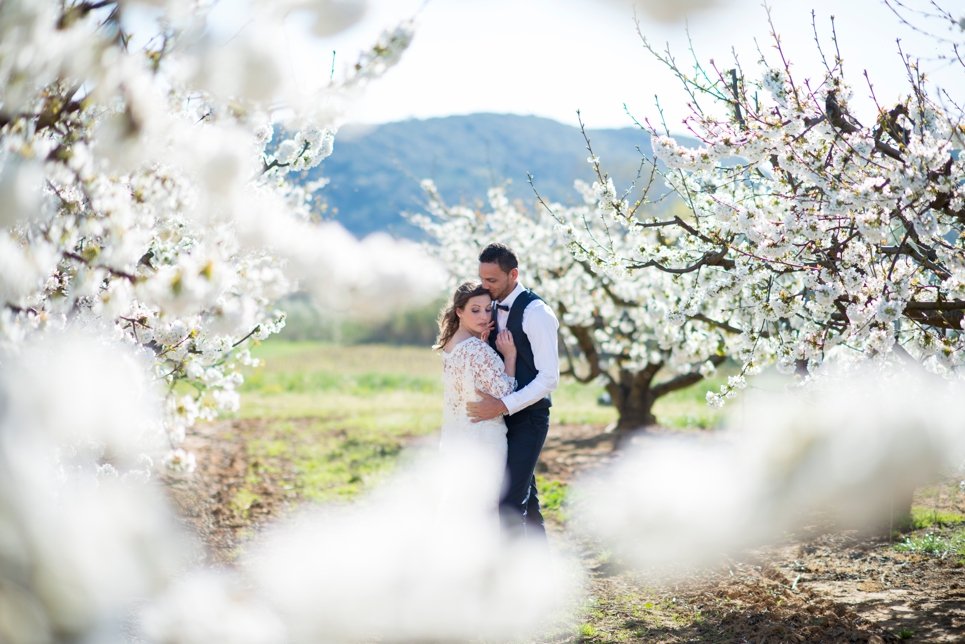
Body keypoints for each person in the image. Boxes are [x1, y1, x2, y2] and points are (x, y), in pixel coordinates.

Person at [468, 243, 560, 540]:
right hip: (499, 423)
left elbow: (549, 378)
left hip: (529, 420)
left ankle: (513, 580)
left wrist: (503, 405)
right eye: (482, 279)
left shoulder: (537, 313)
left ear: (514, 274)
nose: (485, 286)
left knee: (507, 502)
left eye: (492, 280)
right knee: (526, 501)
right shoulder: (489, 307)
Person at [435, 282, 518, 511]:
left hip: (458, 437)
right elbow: (506, 395)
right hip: (484, 438)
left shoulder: (450, 346)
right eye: (475, 310)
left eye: (487, 309)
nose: (483, 316)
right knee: (484, 507)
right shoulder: (477, 350)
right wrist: (509, 357)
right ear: (459, 311)